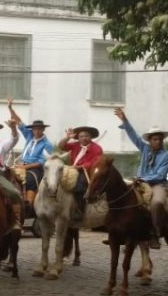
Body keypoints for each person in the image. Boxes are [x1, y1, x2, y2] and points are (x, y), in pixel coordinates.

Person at [114, 107, 168, 249]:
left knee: (157, 202)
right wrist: (124, 120)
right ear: (150, 140)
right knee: (120, 196)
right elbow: (133, 136)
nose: (158, 141)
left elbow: (160, 175)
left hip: (157, 184)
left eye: (160, 139)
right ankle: (117, 232)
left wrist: (143, 179)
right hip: (139, 181)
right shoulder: (144, 148)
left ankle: (155, 234)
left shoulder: (166, 155)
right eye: (155, 139)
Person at [8, 100, 53, 213]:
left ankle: (29, 204)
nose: (36, 131)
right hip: (22, 164)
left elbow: (41, 162)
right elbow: (18, 122)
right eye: (34, 129)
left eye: (39, 129)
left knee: (30, 179)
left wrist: (25, 167)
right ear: (32, 129)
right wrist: (10, 108)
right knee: (7, 175)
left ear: (43, 129)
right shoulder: (29, 135)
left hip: (35, 168)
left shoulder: (47, 145)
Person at [57, 125, 103, 220]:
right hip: (72, 169)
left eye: (86, 136)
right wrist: (67, 138)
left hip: (87, 172)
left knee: (80, 185)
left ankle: (79, 210)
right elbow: (61, 146)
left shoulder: (97, 148)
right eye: (81, 136)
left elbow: (94, 162)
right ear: (78, 138)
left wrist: (79, 167)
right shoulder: (75, 145)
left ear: (90, 137)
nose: (84, 138)